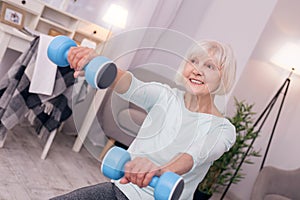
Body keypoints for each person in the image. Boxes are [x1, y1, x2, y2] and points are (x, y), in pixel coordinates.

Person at [51, 39, 237, 200]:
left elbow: (193, 156)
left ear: (223, 77)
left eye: (209, 66)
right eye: (194, 61)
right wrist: (96, 63)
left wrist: (159, 170)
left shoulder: (222, 130)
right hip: (122, 191)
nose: (197, 70)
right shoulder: (165, 96)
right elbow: (128, 84)